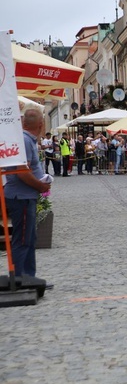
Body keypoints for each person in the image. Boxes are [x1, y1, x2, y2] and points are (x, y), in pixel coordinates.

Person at [4, 108, 51, 277]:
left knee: (29, 239)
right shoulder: (24, 140)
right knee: (23, 239)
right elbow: (21, 172)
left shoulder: (27, 140)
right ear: (40, 124)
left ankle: (29, 276)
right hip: (21, 196)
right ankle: (20, 277)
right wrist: (40, 185)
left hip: (26, 196)